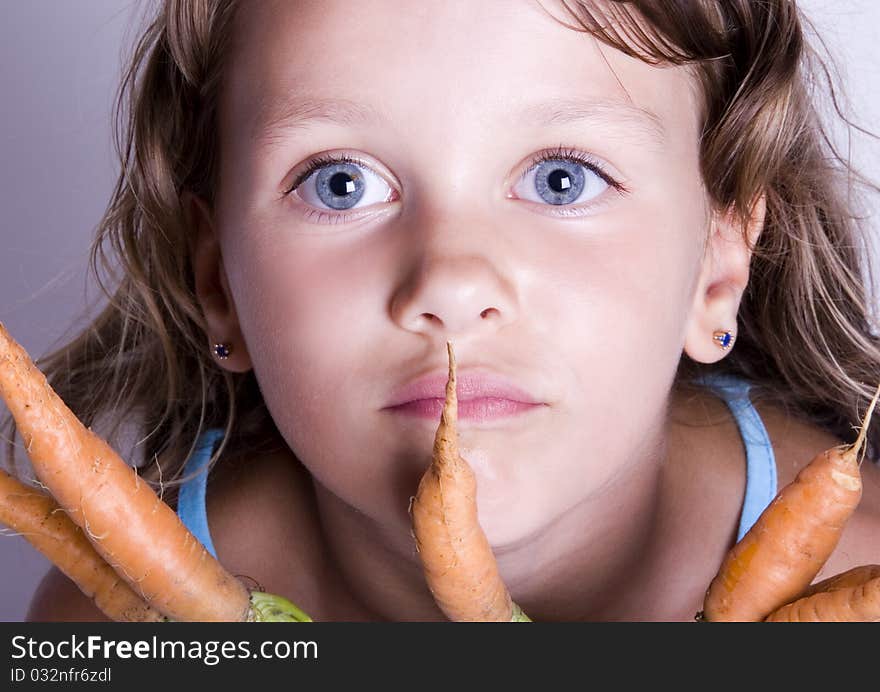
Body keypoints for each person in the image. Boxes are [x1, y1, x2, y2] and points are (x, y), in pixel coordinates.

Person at [12, 0, 880, 622]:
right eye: (340, 182)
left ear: (719, 264)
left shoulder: (857, 579)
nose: (452, 283)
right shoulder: (113, 620)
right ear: (220, 284)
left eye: (561, 179)